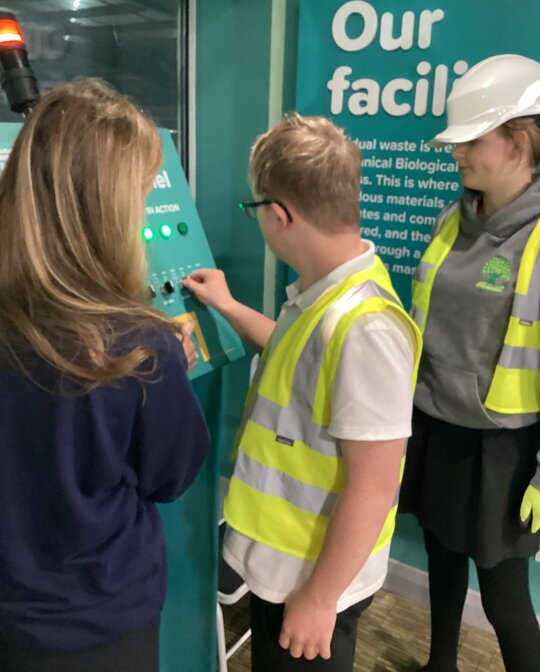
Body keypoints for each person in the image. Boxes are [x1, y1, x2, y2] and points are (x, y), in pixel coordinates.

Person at [182, 113, 422, 671]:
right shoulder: (321, 297)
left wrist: (318, 599)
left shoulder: (365, 328)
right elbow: (297, 359)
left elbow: (374, 485)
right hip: (283, 566)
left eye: (255, 210)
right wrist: (227, 305)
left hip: (311, 580)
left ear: (280, 214)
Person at [0, 79, 210, 672]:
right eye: (139, 195)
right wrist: (169, 371)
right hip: (100, 622)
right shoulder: (139, 347)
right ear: (109, 210)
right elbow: (171, 476)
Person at [401, 54, 540, 672]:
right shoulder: (450, 220)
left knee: (506, 599)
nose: (456, 154)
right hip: (436, 425)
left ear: (519, 141)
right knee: (441, 560)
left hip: (505, 449)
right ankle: (440, 666)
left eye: (471, 141)